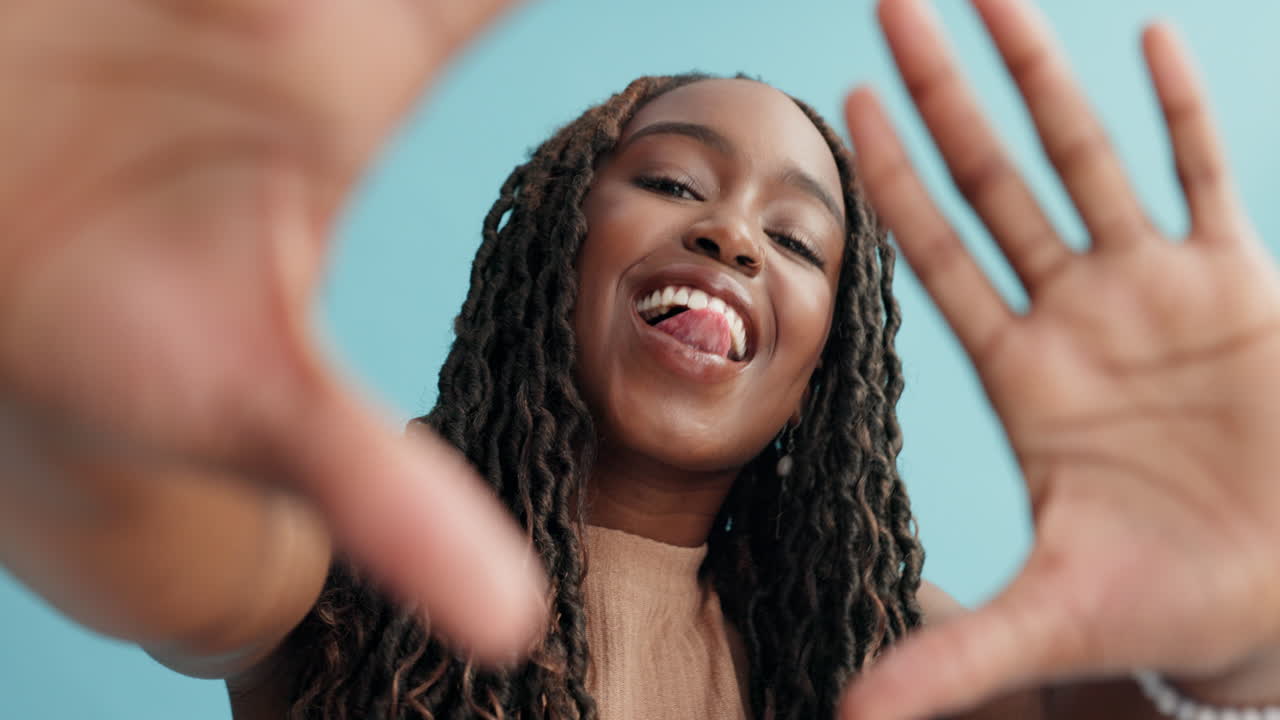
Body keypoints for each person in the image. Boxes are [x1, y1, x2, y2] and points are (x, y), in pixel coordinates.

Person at [0, 0, 1277, 719]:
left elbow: (1171, 683)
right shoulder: (366, 545)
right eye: (670, 182)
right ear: (555, 243)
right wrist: (82, 392)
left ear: (830, 363)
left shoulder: (900, 657)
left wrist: (1240, 635)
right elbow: (175, 544)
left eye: (796, 240)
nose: (730, 235)